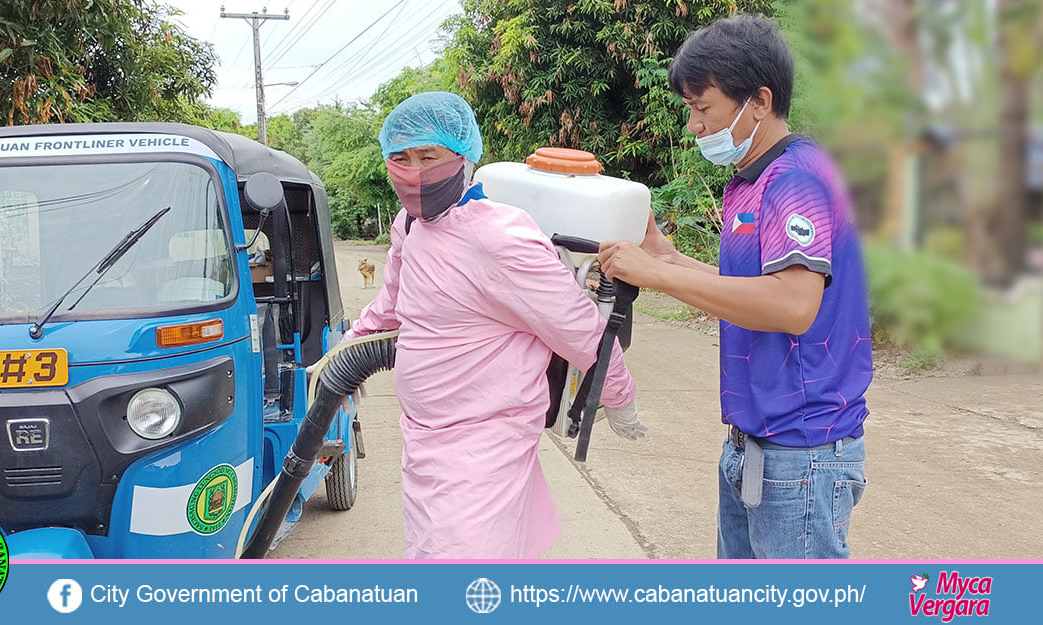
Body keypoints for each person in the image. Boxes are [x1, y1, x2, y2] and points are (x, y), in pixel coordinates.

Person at [599, 15, 871, 559]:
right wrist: (670, 259)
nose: (695, 125)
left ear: (760, 101)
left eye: (703, 108)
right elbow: (747, 287)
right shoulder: (749, 183)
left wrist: (658, 275)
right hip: (754, 444)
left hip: (803, 448)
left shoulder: (796, 179)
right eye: (690, 110)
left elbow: (793, 306)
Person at [346, 92, 645, 559]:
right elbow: (393, 301)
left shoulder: (501, 236)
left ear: (463, 157)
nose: (414, 171)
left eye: (429, 156)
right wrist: (350, 350)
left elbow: (580, 328)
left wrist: (619, 398)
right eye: (400, 159)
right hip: (425, 439)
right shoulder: (409, 225)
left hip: (483, 448)